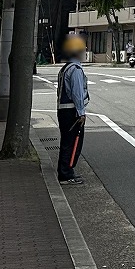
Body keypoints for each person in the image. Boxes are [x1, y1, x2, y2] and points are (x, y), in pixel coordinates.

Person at [56, 34, 90, 185]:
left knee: (67, 141)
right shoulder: (75, 69)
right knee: (73, 142)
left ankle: (65, 171)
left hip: (64, 110)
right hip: (72, 111)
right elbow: (77, 93)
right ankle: (66, 174)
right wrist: (81, 112)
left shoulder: (65, 68)